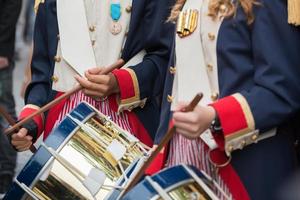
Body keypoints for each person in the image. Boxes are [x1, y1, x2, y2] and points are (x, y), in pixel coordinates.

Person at [150, 0, 300, 199]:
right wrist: (158, 155)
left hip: (245, 165)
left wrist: (216, 115)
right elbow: (175, 85)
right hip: (184, 158)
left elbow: (283, 90)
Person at [11, 0, 174, 153]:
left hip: (129, 124)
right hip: (61, 128)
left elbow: (163, 57)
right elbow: (44, 71)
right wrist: (30, 123)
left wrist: (119, 82)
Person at [0, 0, 22, 197]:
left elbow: (11, 9)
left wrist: (3, 51)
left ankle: (6, 173)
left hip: (1, 53)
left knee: (5, 111)